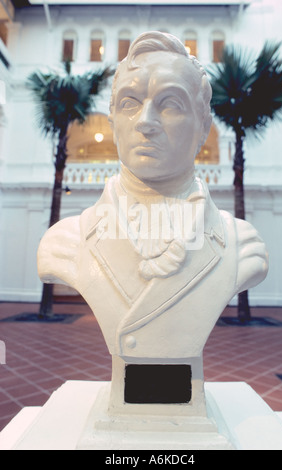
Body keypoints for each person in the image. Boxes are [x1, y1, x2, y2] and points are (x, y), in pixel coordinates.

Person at [38, 31, 268, 369]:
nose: (146, 123)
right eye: (130, 103)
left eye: (171, 104)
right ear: (113, 119)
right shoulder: (66, 243)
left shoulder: (241, 247)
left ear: (203, 127)